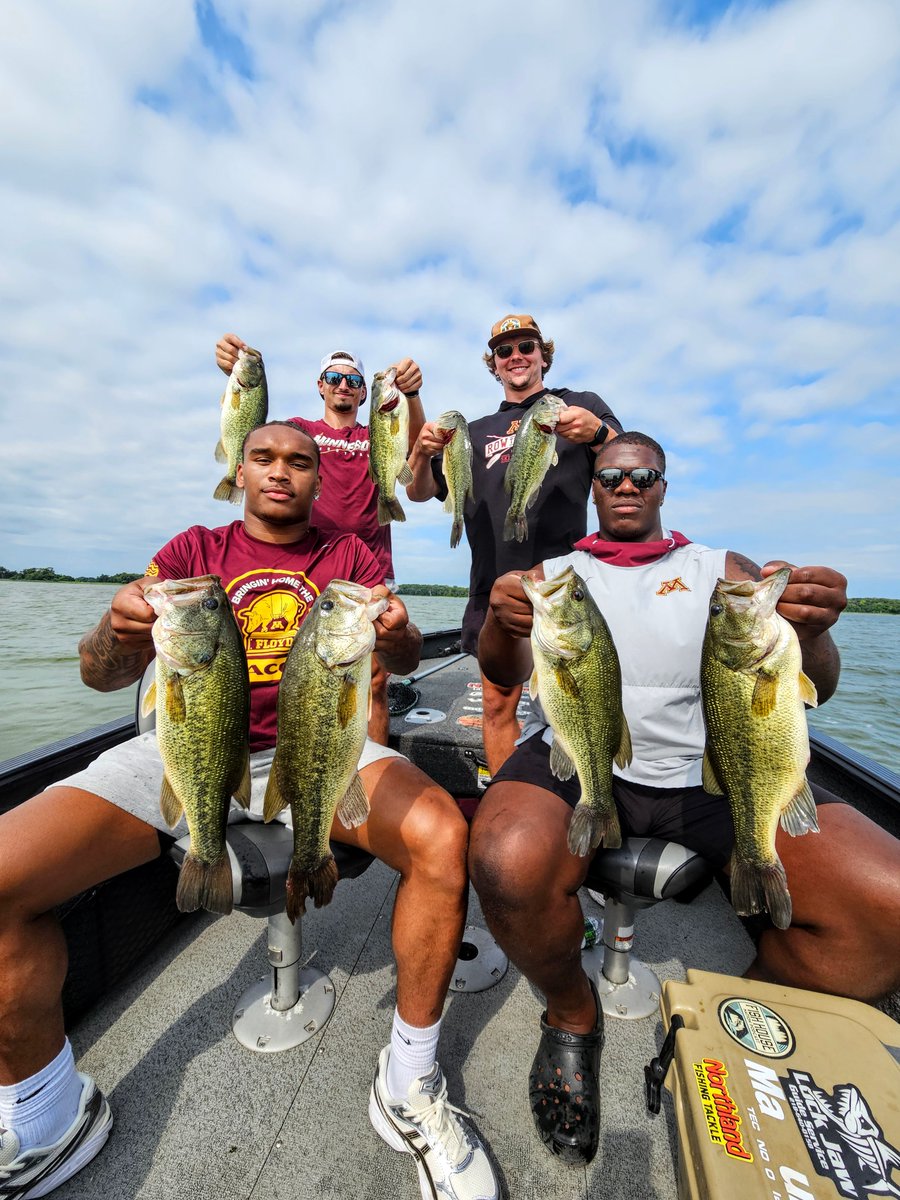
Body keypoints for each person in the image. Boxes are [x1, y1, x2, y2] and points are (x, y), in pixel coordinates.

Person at [0, 422, 499, 1200]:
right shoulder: (191, 551)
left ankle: (408, 1083)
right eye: (263, 458)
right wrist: (117, 626)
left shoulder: (349, 558)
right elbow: (100, 675)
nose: (280, 473)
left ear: (318, 479)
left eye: (299, 462)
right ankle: (46, 1116)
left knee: (444, 836)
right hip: (190, 742)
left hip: (321, 737)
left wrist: (398, 635)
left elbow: (398, 661)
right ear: (238, 470)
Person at [469, 430, 900, 1166]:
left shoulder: (719, 568)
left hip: (716, 768)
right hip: (581, 760)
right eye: (611, 477)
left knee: (890, 904)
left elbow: (815, 685)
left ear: (664, 486)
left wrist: (815, 631)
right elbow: (502, 667)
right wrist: (504, 625)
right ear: (593, 488)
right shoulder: (556, 574)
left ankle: (740, 1012)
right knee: (503, 861)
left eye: (643, 475)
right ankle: (573, 1014)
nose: (627, 486)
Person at [406, 313, 623, 775]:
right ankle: (507, 798)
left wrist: (601, 434)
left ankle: (588, 791)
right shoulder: (473, 431)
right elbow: (421, 491)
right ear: (495, 365)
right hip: (493, 584)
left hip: (568, 588)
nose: (516, 357)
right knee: (497, 703)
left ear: (544, 355)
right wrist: (422, 453)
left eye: (527, 347)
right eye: (504, 351)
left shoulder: (579, 404)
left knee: (579, 701)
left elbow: (629, 462)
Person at [216, 333, 427, 745]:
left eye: (352, 380)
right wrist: (233, 380)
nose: (342, 385)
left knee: (373, 681)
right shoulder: (299, 432)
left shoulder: (380, 432)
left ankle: (370, 772)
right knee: (298, 674)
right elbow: (252, 436)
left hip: (367, 568)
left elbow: (417, 449)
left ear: (365, 392)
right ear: (320, 385)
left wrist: (413, 396)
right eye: (334, 377)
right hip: (305, 566)